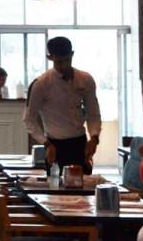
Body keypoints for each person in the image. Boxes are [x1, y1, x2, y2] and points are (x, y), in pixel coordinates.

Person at [23, 36, 102, 172]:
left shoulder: (85, 79)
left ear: (72, 54)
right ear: (50, 58)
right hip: (54, 144)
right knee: (55, 183)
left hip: (79, 142)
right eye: (59, 62)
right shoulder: (41, 84)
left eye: (67, 60)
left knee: (83, 183)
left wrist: (94, 138)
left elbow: (93, 113)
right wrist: (46, 143)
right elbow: (29, 119)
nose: (64, 66)